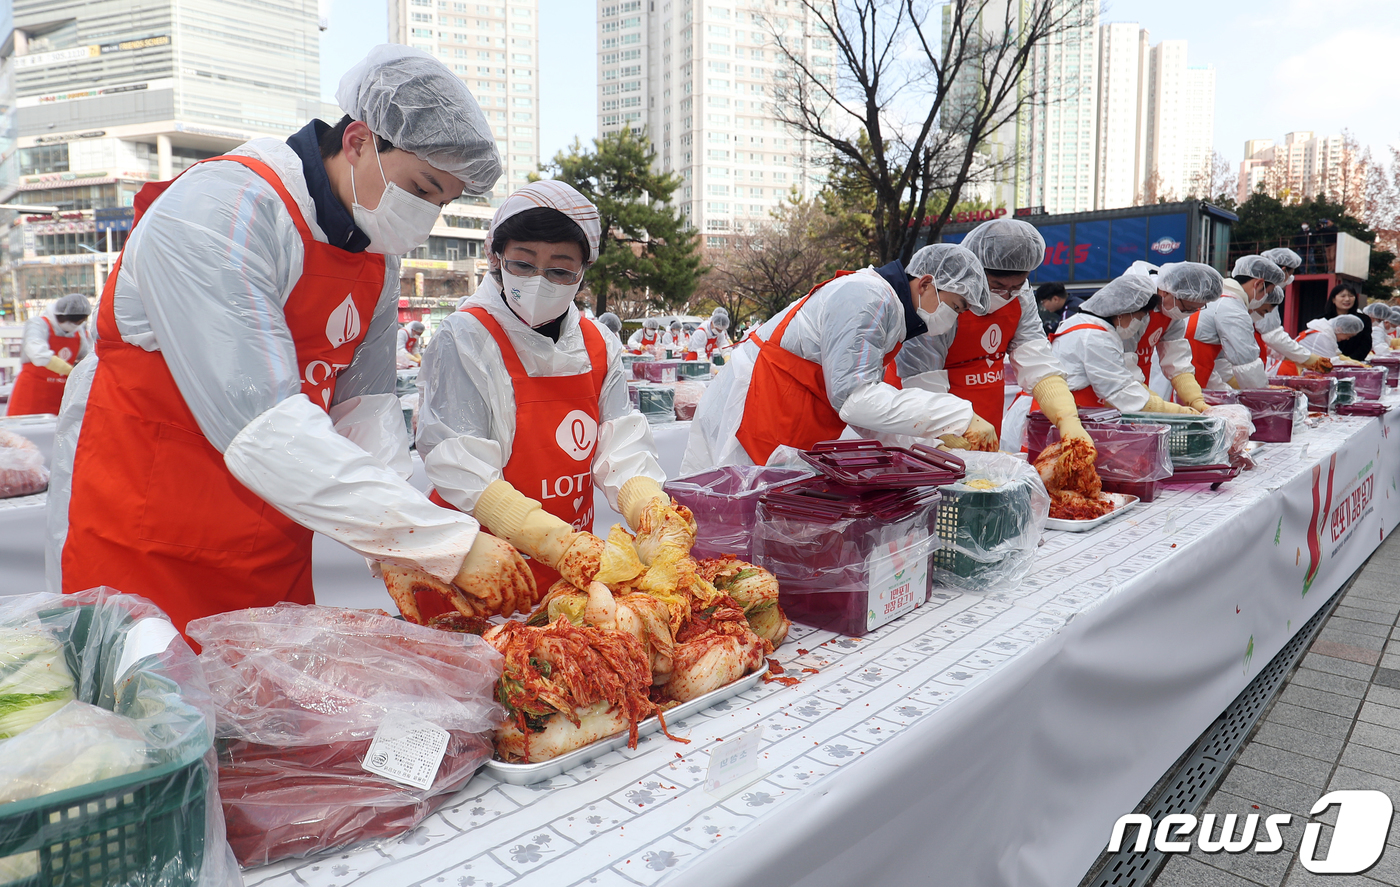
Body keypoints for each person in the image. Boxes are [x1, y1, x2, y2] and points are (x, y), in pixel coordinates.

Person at [46, 45, 533, 633]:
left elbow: (365, 412)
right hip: (142, 531)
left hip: (267, 538)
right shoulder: (224, 209)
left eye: (444, 202)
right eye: (423, 189)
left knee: (266, 711)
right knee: (149, 710)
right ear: (357, 141)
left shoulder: (376, 259)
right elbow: (262, 422)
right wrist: (438, 539)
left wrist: (398, 546)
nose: (427, 218)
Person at [416, 180, 667, 592]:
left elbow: (621, 444)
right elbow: (462, 465)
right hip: (484, 569)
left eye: (559, 269)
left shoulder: (597, 343)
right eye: (523, 263)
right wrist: (551, 539)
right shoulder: (467, 336)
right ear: (496, 258)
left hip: (569, 575)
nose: (538, 280)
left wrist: (648, 508)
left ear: (582, 274)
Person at [681, 244, 995, 472]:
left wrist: (927, 445)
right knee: (729, 532)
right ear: (926, 284)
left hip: (785, 412)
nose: (951, 319)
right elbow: (855, 400)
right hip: (750, 409)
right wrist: (957, 415)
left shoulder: (888, 315)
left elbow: (868, 410)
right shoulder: (868, 297)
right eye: (955, 307)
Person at [896, 218, 1086, 454]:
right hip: (929, 428)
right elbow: (922, 385)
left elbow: (1036, 360)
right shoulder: (940, 300)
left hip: (986, 424)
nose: (1006, 295)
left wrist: (1067, 418)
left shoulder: (1021, 297)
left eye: (1015, 287)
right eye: (997, 286)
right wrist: (950, 438)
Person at [1045, 274, 1197, 415]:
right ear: (1124, 311)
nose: (1139, 324)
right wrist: (1179, 412)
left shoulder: (1085, 324)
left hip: (1071, 410)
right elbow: (1121, 393)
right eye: (1140, 317)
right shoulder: (1095, 337)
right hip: (1064, 413)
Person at [1122, 262, 1223, 411]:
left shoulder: (1170, 313)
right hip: (1115, 389)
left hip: (1138, 384)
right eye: (1187, 308)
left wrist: (1195, 399)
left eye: (1196, 309)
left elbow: (1177, 362)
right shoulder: (1131, 309)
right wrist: (1163, 407)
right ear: (1165, 292)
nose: (1188, 313)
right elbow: (1123, 367)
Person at [1185, 255, 1285, 390]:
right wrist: (1264, 393)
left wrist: (1231, 389)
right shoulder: (1232, 308)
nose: (1265, 298)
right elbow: (1247, 363)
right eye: (1268, 292)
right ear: (1259, 284)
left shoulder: (1220, 298)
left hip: (1188, 375)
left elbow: (1219, 363)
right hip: (1186, 378)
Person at [7, 293, 92, 417]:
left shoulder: (78, 332)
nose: (74, 326)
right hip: (31, 395)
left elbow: (87, 356)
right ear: (62, 315)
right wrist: (69, 370)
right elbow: (38, 353)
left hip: (62, 397)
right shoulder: (38, 324)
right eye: (73, 322)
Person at [1252, 248, 1330, 374]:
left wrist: (1290, 356)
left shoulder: (1255, 288)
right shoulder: (1264, 294)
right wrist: (1307, 357)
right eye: (1291, 273)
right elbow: (1272, 336)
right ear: (1283, 270)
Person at [1275, 315, 1365, 375]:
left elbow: (1336, 354)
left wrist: (1352, 362)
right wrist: (1352, 365)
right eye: (1349, 335)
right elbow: (1330, 363)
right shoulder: (1322, 336)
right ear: (1340, 329)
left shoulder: (1324, 334)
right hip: (1290, 371)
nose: (1347, 339)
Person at [1324, 283, 1370, 363]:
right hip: (1327, 363)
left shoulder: (1363, 320)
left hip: (1354, 364)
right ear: (1333, 299)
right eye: (1343, 296)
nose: (1347, 299)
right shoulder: (1323, 320)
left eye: (1351, 296)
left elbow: (1365, 345)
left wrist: (1349, 362)